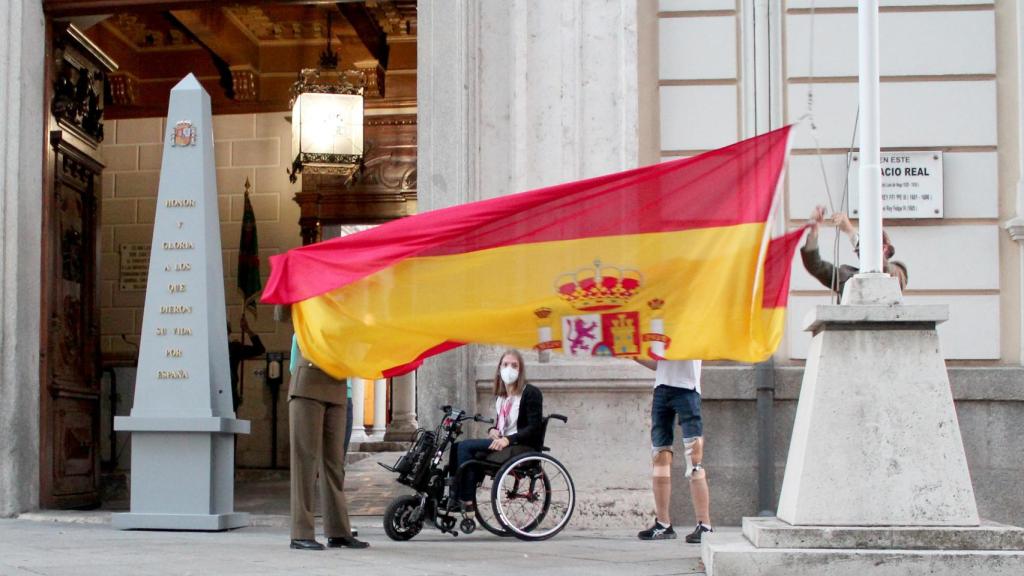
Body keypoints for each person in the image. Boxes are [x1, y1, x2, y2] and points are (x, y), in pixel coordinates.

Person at [287, 333, 368, 551]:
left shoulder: (345, 324)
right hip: (308, 385)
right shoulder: (307, 320)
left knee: (334, 465)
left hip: (340, 390)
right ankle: (301, 533)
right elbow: (294, 362)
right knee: (305, 461)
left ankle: (339, 532)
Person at [450, 349, 543, 511]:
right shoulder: (502, 397)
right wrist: (493, 430)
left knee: (465, 447)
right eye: (505, 364)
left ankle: (467, 500)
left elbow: (534, 428)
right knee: (456, 447)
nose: (509, 369)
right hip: (503, 441)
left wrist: (507, 439)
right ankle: (454, 495)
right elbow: (503, 425)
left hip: (520, 445)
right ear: (499, 369)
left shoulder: (530, 393)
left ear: (520, 370)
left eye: (514, 365)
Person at [636, 358, 712, 543]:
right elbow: (658, 365)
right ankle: (663, 524)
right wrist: (634, 356)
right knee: (659, 457)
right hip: (661, 389)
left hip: (687, 389)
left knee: (694, 459)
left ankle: (705, 525)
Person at [801, 205, 908, 298]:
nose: (862, 249)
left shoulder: (898, 271)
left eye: (868, 245)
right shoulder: (846, 275)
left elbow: (882, 269)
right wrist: (814, 230)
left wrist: (850, 231)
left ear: (885, 249)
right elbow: (815, 266)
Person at [227, 315, 265, 413]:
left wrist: (247, 330)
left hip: (229, 394)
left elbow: (259, 349)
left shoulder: (234, 348)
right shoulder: (233, 347)